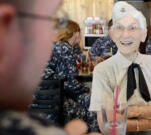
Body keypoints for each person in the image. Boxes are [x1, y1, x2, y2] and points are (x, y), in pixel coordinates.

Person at [0, 0, 96, 135]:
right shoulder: (64, 48)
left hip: (44, 105)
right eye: (51, 19)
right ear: (4, 27)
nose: (54, 35)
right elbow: (70, 85)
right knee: (95, 106)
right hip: (57, 104)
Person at [89, 1, 151, 133]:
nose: (126, 34)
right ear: (112, 35)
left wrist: (135, 111)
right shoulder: (103, 70)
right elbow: (108, 124)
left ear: (143, 34)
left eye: (133, 28)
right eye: (119, 28)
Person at [43, 20, 99, 132]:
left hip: (42, 100)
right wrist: (88, 90)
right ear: (76, 33)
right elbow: (70, 85)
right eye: (79, 31)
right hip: (57, 101)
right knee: (95, 102)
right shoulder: (65, 49)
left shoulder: (55, 46)